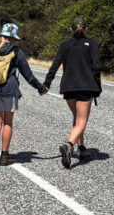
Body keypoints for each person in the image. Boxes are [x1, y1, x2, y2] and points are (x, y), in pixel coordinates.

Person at [0, 23, 48, 167]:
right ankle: (5, 155)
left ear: (2, 35)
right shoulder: (17, 51)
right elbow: (27, 74)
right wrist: (40, 87)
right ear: (13, 37)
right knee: (8, 122)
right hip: (10, 90)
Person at [43, 17, 102, 168]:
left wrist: (47, 83)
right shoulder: (93, 44)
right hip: (85, 86)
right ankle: (69, 145)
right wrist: (97, 87)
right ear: (87, 29)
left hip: (68, 87)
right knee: (82, 122)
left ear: (70, 29)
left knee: (77, 119)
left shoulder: (65, 45)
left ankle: (81, 149)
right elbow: (96, 67)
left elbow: (55, 65)